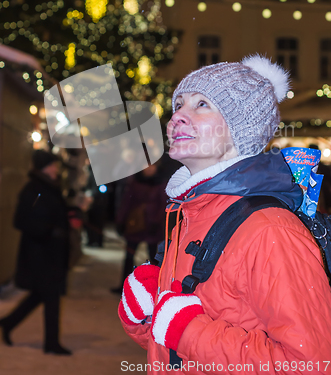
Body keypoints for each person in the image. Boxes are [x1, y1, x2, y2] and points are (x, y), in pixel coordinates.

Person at [118, 55, 331, 374]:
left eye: (201, 104)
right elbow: (182, 355)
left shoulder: (271, 230)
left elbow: (311, 364)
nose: (177, 117)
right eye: (178, 105)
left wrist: (188, 329)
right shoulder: (189, 212)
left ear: (240, 128)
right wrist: (147, 316)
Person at [0, 150, 71, 355]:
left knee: (42, 295)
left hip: (51, 251)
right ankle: (51, 343)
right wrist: (51, 231)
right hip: (41, 253)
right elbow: (21, 220)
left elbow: (54, 213)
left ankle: (8, 322)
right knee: (51, 295)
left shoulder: (50, 187)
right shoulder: (34, 189)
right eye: (53, 164)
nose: (56, 168)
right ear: (44, 167)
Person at [111, 162, 167, 294]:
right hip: (135, 224)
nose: (148, 169)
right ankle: (124, 286)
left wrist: (157, 222)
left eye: (152, 166)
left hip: (152, 226)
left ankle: (155, 287)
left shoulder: (160, 184)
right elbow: (126, 202)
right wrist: (121, 221)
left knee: (154, 258)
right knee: (129, 256)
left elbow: (163, 205)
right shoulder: (135, 183)